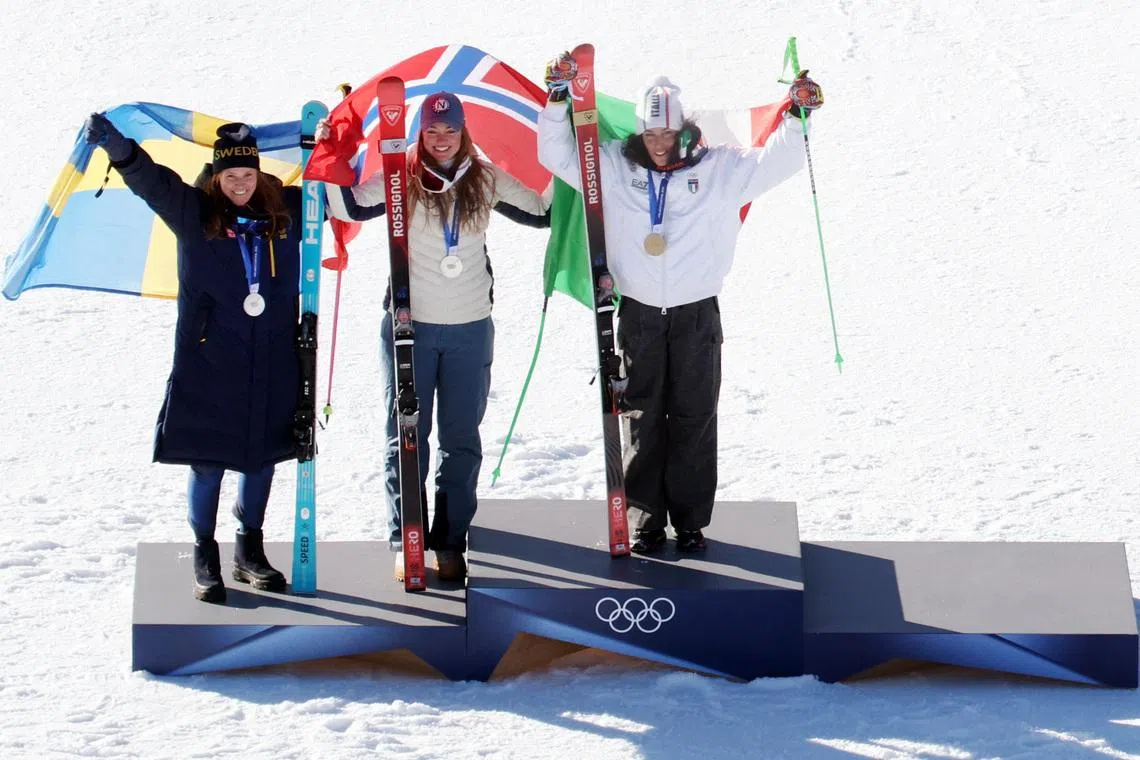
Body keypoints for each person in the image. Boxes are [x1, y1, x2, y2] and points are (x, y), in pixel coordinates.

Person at [538, 56, 824, 554]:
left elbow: (777, 162)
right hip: (640, 314)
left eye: (668, 136)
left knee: (694, 415)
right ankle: (645, 520)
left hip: (696, 314)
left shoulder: (718, 168)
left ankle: (690, 521)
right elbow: (557, 155)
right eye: (652, 136)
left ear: (683, 130)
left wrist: (799, 117)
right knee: (641, 417)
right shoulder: (611, 163)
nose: (660, 145)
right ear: (641, 132)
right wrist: (558, 99)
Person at [319, 91, 550, 582]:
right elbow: (349, 206)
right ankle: (408, 537)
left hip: (470, 325)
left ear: (464, 132)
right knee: (406, 435)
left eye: (450, 131)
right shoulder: (399, 175)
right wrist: (330, 153)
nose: (441, 140)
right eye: (431, 131)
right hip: (410, 326)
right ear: (419, 134)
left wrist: (571, 152)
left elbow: (546, 209)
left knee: (461, 438)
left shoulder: (484, 177)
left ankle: (450, 540)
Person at [83, 115, 304, 602]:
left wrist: (342, 135)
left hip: (272, 359)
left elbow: (339, 190)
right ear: (216, 177)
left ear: (259, 175)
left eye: (248, 175)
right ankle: (205, 553)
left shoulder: (288, 212)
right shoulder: (193, 213)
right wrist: (118, 145)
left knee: (261, 459)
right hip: (211, 362)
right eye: (230, 176)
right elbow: (150, 180)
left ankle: (250, 550)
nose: (240, 184)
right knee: (208, 463)